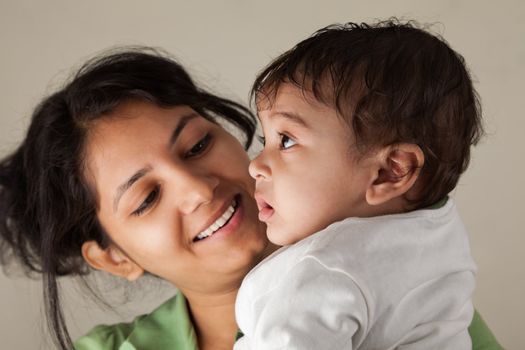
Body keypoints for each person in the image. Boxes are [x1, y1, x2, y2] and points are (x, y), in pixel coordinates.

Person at [0, 48, 502, 350]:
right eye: (148, 197)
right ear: (112, 256)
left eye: (198, 145)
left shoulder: (411, 295)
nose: (199, 188)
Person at [234, 20, 492, 349]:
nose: (256, 165)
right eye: (265, 140)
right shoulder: (440, 234)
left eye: (286, 140)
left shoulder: (325, 272)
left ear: (390, 172)